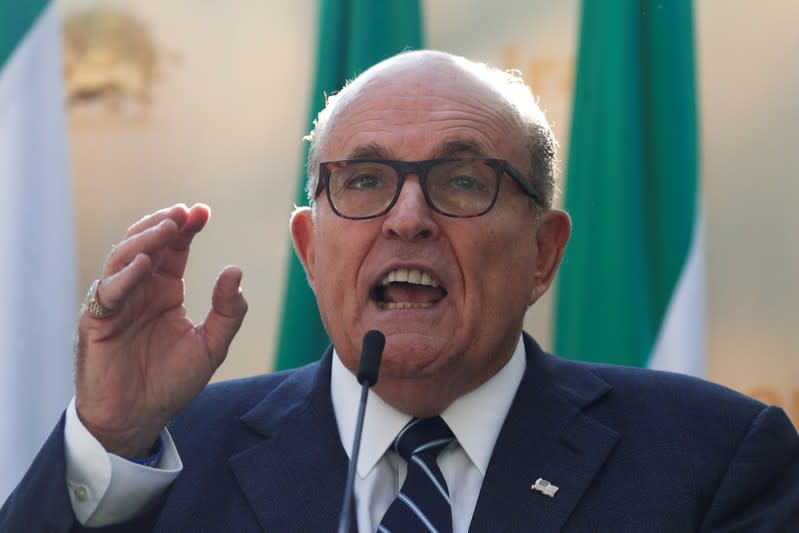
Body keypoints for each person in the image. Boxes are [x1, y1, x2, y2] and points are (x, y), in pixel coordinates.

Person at [1, 50, 798, 533]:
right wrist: (106, 437)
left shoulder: (712, 460)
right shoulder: (170, 459)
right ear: (311, 251)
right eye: (365, 180)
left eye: (460, 180)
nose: (407, 218)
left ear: (542, 253)